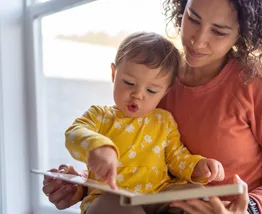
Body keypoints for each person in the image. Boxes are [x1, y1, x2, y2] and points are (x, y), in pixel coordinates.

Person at [42, 0, 262, 213]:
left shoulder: (259, 84)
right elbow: (133, 158)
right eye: (192, 18)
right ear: (181, 8)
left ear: (242, 32)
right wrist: (80, 185)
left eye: (218, 31)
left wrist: (249, 209)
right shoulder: (154, 80)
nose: (197, 39)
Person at [62, 31, 225, 214]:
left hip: (158, 195)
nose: (138, 94)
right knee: (112, 203)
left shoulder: (164, 121)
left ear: (165, 92)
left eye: (151, 90)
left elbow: (176, 157)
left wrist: (198, 167)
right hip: (112, 196)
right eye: (129, 82)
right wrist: (98, 147)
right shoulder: (99, 116)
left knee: (196, 193)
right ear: (114, 74)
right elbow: (73, 133)